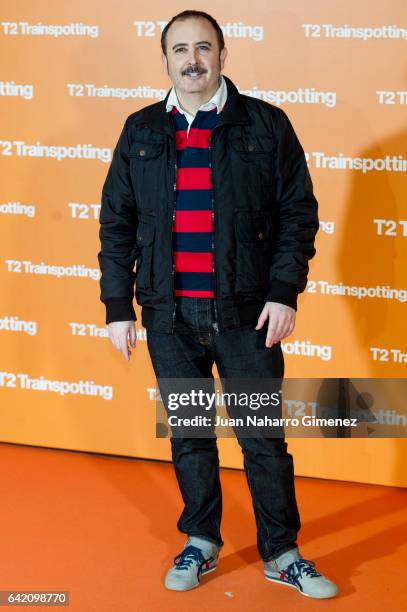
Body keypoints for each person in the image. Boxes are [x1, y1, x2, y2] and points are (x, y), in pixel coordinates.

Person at [97, 9, 339, 600]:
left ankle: (281, 551)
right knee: (190, 433)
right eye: (179, 49)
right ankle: (201, 540)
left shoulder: (266, 124)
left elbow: (297, 216)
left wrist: (284, 293)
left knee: (262, 439)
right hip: (170, 317)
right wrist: (117, 306)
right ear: (165, 60)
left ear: (224, 55)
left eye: (203, 47)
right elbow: (117, 222)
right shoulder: (142, 130)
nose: (192, 60)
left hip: (247, 316)